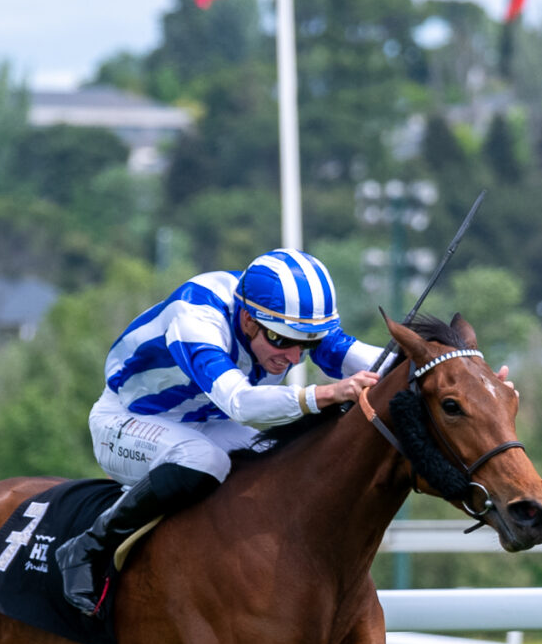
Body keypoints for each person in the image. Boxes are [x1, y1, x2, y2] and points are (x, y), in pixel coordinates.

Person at [52, 250, 385, 615]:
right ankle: (88, 546)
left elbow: (367, 359)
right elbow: (239, 403)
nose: (292, 357)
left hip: (205, 420)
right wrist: (325, 394)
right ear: (247, 319)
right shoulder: (197, 316)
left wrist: (434, 361)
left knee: (278, 463)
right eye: (281, 341)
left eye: (304, 345)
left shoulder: (287, 318)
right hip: (124, 419)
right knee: (204, 459)